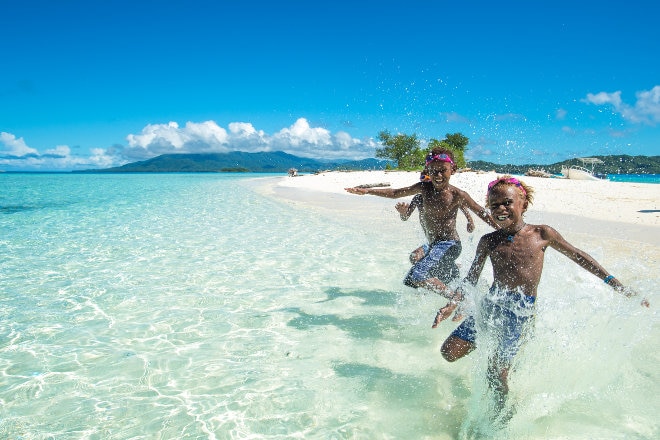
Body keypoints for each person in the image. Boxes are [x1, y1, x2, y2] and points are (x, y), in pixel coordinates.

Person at [431, 175, 650, 412]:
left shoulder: (542, 234)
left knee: (496, 372)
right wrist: (452, 304)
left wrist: (616, 284)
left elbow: (579, 256)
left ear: (523, 204)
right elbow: (471, 279)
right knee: (449, 352)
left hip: (520, 311)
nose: (500, 209)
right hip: (491, 306)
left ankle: (501, 418)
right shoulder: (488, 241)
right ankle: (498, 363)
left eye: (507, 203)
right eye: (494, 206)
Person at [345, 148, 498, 293]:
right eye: (433, 171)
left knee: (417, 275)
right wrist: (367, 191)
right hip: (432, 245)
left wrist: (501, 229)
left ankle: (456, 299)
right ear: (428, 171)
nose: (438, 175)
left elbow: (481, 212)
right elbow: (396, 192)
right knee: (411, 279)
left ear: (453, 169)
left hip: (450, 245)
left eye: (442, 170)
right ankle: (453, 275)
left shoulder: (457, 194)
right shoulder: (423, 189)